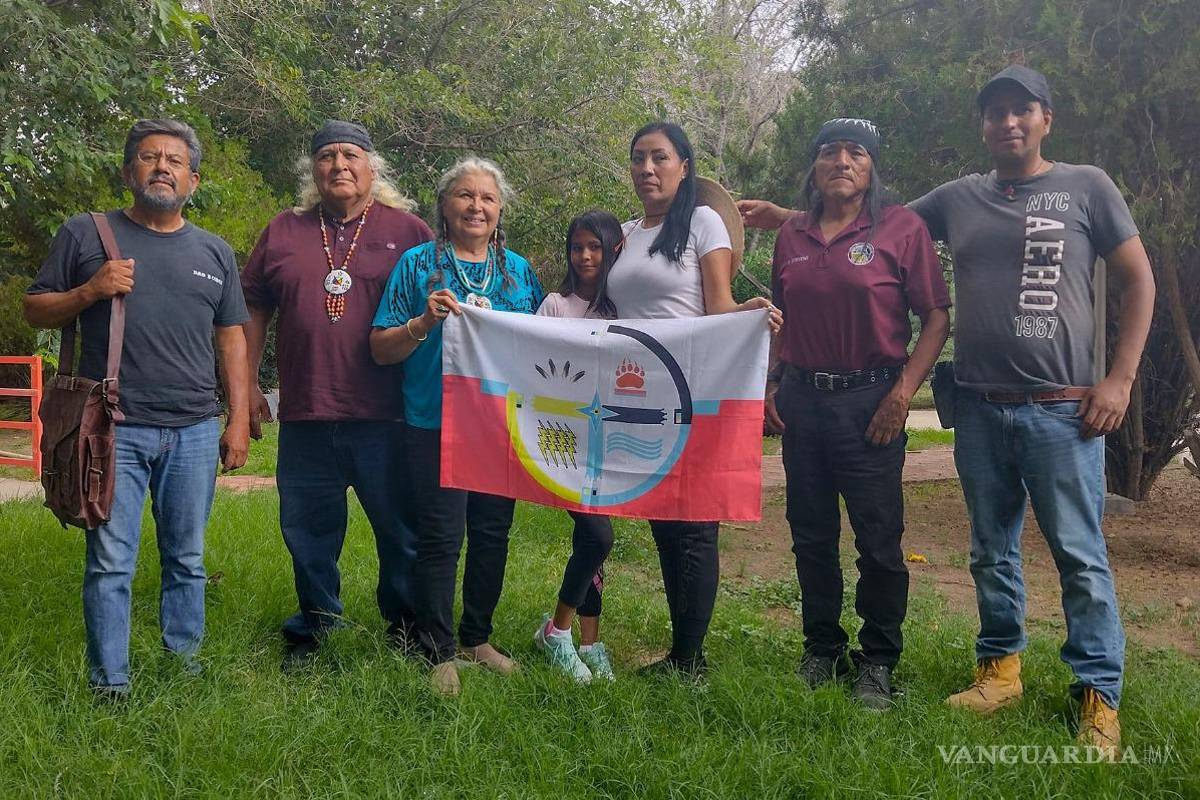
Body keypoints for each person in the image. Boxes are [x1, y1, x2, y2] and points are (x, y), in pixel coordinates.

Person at [738, 66, 1155, 755]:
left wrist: (1121, 379)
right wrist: (790, 219)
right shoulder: (961, 197)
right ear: (983, 127)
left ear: (1046, 118)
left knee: (1079, 556)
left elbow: (1138, 280)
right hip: (981, 407)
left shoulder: (1088, 187)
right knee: (990, 552)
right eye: (995, 113)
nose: (1008, 123)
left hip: (1065, 408)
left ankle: (1097, 695)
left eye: (1022, 111)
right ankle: (999, 672)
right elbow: (863, 224)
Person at [24, 119, 250, 698]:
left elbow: (232, 339)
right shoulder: (85, 235)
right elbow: (36, 310)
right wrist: (90, 291)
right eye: (149, 157)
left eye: (175, 160)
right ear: (129, 172)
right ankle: (111, 685)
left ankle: (184, 670)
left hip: (196, 429)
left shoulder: (215, 252)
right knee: (111, 563)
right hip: (112, 428)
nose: (162, 167)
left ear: (193, 179)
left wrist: (239, 418)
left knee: (188, 559)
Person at [764, 118, 950, 709]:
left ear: (872, 167)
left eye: (855, 152)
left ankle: (878, 660)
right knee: (811, 535)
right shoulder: (791, 235)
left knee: (878, 540)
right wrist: (769, 383)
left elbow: (936, 318)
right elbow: (781, 318)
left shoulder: (901, 229)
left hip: (872, 404)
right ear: (814, 168)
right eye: (829, 152)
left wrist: (902, 394)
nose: (841, 161)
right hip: (802, 402)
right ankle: (822, 647)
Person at [240, 120, 433, 671]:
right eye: (326, 156)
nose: (339, 165)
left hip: (388, 415)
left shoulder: (410, 231)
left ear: (373, 167)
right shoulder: (284, 230)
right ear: (313, 169)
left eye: (351, 155)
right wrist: (249, 384)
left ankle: (407, 626)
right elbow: (251, 306)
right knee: (307, 532)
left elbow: (442, 308)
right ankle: (316, 627)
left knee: (400, 530)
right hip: (305, 412)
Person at [605, 121, 781, 679]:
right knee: (662, 518)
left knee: (695, 525)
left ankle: (690, 657)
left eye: (660, 158)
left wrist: (751, 313)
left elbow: (718, 305)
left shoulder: (703, 222)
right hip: (637, 394)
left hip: (694, 391)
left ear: (684, 165)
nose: (647, 169)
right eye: (638, 159)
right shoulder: (627, 233)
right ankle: (679, 651)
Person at [370, 156, 544, 696]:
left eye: (487, 198)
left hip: (500, 428)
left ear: (500, 210)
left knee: (492, 534)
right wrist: (423, 322)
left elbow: (540, 348)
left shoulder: (518, 272)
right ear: (444, 206)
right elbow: (380, 349)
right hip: (434, 423)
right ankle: (438, 649)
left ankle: (477, 637)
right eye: (465, 196)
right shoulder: (417, 266)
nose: (476, 206)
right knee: (441, 536)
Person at [532, 210, 623, 683]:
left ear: (613, 251)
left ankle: (591, 641)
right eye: (577, 247)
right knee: (597, 536)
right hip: (563, 444)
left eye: (596, 247)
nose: (585, 256)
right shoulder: (554, 305)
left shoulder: (622, 306)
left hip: (610, 442)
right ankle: (558, 631)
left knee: (593, 544)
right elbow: (530, 367)